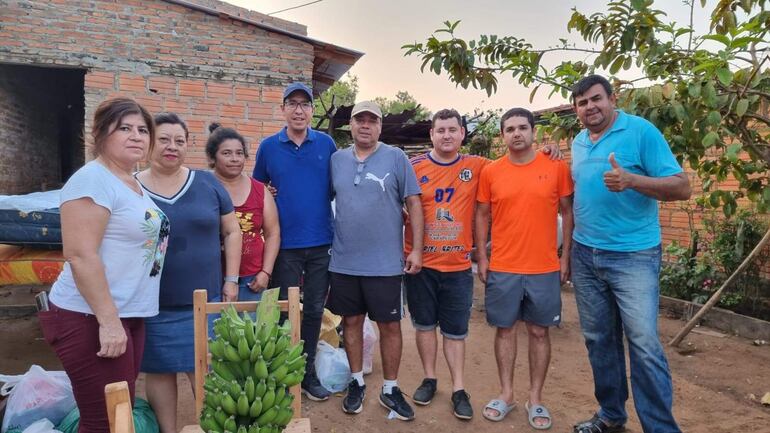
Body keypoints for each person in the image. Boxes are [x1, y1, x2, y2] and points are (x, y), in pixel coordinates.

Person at [38, 98, 170, 433]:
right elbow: (81, 254)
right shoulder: (92, 180)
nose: (136, 136)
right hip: (91, 316)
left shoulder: (132, 183)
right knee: (105, 420)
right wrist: (109, 322)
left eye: (142, 130)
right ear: (100, 133)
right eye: (124, 128)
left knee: (119, 412)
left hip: (127, 314)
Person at [568, 75, 690, 433]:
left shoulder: (641, 132)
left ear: (612, 98)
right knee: (599, 340)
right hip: (586, 255)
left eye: (595, 99)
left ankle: (661, 428)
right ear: (576, 109)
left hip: (633, 257)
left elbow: (682, 186)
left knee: (643, 343)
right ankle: (610, 416)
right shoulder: (578, 141)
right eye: (582, 103)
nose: (590, 107)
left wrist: (633, 180)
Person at [136, 113, 242, 433]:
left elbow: (232, 231)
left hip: (203, 300)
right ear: (151, 143)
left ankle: (210, 428)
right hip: (152, 302)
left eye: (179, 140)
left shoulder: (207, 183)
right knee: (159, 371)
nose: (172, 146)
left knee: (207, 371)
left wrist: (231, 280)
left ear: (188, 145)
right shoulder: (131, 187)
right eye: (164, 139)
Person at [475, 108, 574, 429]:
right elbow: (481, 215)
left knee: (539, 331)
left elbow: (568, 213)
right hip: (503, 266)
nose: (516, 133)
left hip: (544, 267)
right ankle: (506, 394)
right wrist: (482, 257)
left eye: (522, 128)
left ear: (534, 132)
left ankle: (536, 398)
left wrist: (565, 257)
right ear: (502, 135)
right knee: (505, 330)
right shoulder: (491, 172)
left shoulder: (556, 167)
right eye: (509, 129)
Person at [327, 100, 423, 421]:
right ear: (350, 126)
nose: (365, 125)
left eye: (372, 120)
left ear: (380, 127)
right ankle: (356, 381)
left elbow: (414, 202)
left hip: (385, 265)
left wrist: (417, 249)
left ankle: (390, 388)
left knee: (390, 326)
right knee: (351, 323)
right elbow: (323, 198)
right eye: (359, 120)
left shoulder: (396, 158)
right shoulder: (336, 160)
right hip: (343, 262)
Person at [252, 82, 336, 401]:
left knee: (314, 309)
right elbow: (257, 189)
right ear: (283, 109)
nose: (299, 110)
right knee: (285, 310)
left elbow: (335, 187)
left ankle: (307, 373)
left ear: (312, 111)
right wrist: (268, 193)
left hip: (320, 242)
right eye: (293, 104)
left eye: (305, 104)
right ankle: (281, 373)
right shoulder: (268, 147)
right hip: (284, 245)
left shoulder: (326, 144)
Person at [403, 109, 489, 420]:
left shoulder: (477, 167)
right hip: (420, 264)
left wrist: (544, 151)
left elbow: (512, 167)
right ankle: (429, 378)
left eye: (453, 130)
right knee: (424, 326)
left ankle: (458, 388)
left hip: (458, 268)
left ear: (462, 134)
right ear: (431, 135)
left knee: (455, 332)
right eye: (441, 130)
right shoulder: (412, 167)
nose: (447, 135)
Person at [209, 123, 280, 301]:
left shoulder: (260, 190)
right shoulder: (204, 188)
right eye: (226, 153)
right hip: (212, 279)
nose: (234, 159)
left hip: (252, 280)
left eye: (239, 153)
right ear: (213, 158)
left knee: (250, 328)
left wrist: (266, 272)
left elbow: (273, 233)